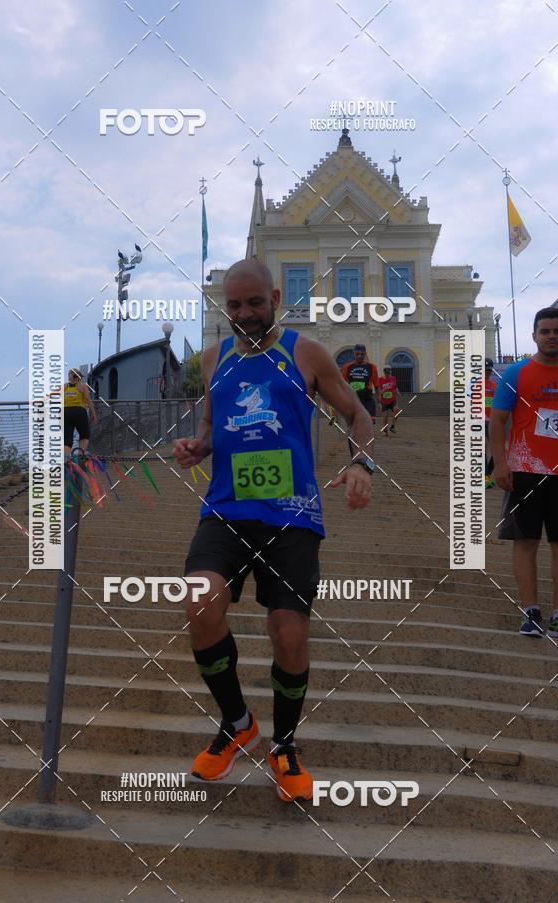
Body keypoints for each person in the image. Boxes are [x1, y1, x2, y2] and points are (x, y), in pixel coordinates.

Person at [173, 259, 373, 803]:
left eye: (253, 303)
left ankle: (284, 745)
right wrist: (198, 448)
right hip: (226, 509)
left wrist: (360, 465)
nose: (243, 314)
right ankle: (238, 723)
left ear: (275, 297)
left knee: (289, 635)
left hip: (293, 516)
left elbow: (358, 415)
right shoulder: (214, 358)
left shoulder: (304, 352)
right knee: (198, 600)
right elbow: (213, 427)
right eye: (233, 306)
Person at [490, 307, 558, 637]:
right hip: (526, 470)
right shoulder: (516, 373)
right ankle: (530, 610)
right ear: (534, 336)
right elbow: (498, 420)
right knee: (526, 540)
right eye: (545, 331)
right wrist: (501, 463)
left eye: (556, 331)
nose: (551, 336)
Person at [341, 344, 380, 426]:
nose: (359, 356)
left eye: (362, 354)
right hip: (353, 399)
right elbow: (343, 386)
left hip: (367, 399)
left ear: (365, 354)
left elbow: (376, 386)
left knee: (369, 423)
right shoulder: (347, 367)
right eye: (357, 354)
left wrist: (379, 402)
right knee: (353, 424)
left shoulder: (372, 367)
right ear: (353, 353)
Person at [63, 368, 97, 456]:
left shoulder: (64, 386)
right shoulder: (82, 386)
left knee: (67, 438)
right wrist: (93, 414)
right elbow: (88, 401)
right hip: (79, 411)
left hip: (66, 412)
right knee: (84, 435)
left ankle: (66, 461)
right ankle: (80, 455)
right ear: (78, 377)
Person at [483, 358, 497, 488]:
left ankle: (486, 476)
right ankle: (485, 479)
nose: (487, 373)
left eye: (489, 370)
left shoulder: (494, 386)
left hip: (492, 422)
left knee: (497, 451)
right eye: (485, 370)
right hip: (477, 421)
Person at [379, 365, 401, 436]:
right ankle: (385, 430)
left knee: (397, 410)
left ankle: (392, 427)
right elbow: (379, 391)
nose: (387, 374)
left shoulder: (393, 378)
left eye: (389, 372)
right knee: (385, 417)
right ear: (384, 372)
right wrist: (384, 390)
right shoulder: (380, 379)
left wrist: (397, 391)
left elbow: (395, 386)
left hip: (392, 400)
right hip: (384, 401)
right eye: (386, 372)